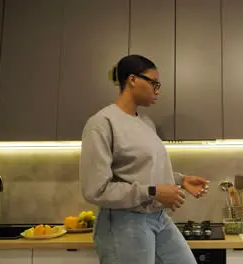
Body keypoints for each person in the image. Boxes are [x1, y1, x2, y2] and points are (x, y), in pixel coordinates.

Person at [79, 54, 209, 264]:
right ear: (132, 80)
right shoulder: (101, 124)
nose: (157, 90)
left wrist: (180, 180)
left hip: (157, 218)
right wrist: (154, 192)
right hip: (124, 222)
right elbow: (96, 189)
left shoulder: (146, 123)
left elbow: (144, 170)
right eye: (154, 83)